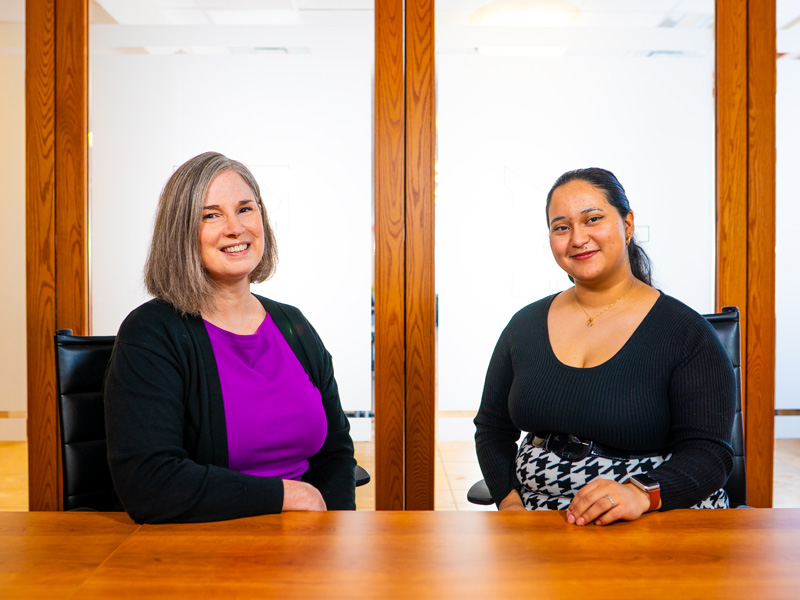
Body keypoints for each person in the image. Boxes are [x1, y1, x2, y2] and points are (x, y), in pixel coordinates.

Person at [474, 167, 736, 526]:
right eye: (561, 227)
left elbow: (710, 454)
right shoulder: (524, 325)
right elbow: (491, 428)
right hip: (537, 521)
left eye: (592, 219)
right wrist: (509, 504)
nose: (578, 239)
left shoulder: (686, 332)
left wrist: (640, 493)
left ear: (627, 225)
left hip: (653, 518)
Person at [105, 151, 356, 524]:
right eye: (211, 215)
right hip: (207, 550)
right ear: (181, 233)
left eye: (245, 209)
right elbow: (149, 483)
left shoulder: (293, 325)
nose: (235, 228)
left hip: (307, 547)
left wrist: (335, 531)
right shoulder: (152, 334)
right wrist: (287, 495)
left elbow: (335, 450)